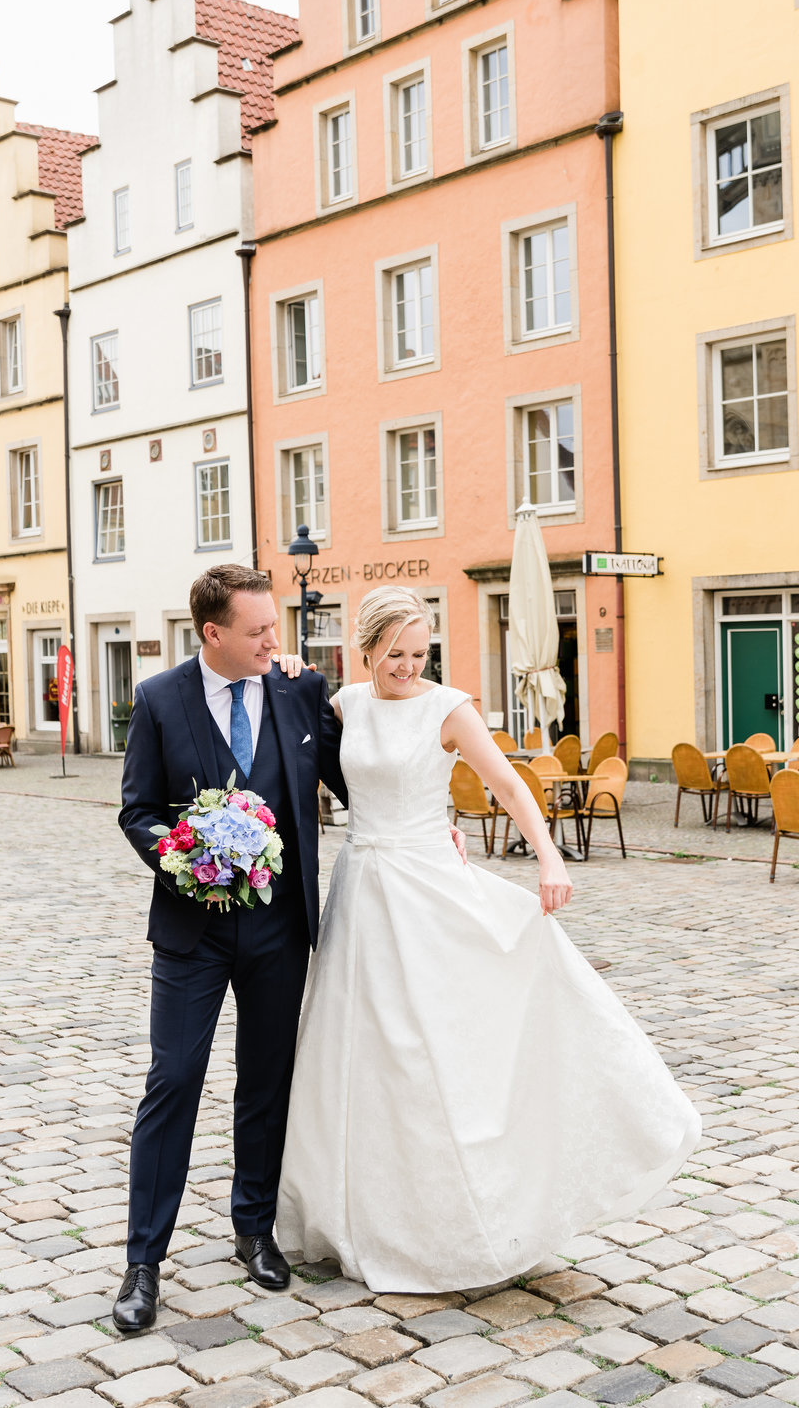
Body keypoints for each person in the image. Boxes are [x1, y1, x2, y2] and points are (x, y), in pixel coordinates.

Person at [276, 586, 701, 1293]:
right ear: (368, 646)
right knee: (358, 1050)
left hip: (427, 889)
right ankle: (358, 1211)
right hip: (362, 889)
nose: (409, 665)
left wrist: (548, 854)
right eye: (396, 653)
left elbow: (506, 783)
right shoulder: (344, 705)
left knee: (434, 1046)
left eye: (420, 652)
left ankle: (468, 1213)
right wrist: (287, 665)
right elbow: (310, 747)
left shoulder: (449, 708)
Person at [113, 566, 464, 1332]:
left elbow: (360, 781)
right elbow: (136, 809)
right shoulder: (160, 700)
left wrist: (432, 824)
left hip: (280, 927)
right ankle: (144, 1263)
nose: (277, 639)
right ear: (214, 635)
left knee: (268, 1080)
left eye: (275, 625)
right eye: (259, 631)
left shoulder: (300, 692)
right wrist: (181, 853)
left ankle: (254, 1229)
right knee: (173, 1079)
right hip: (191, 930)